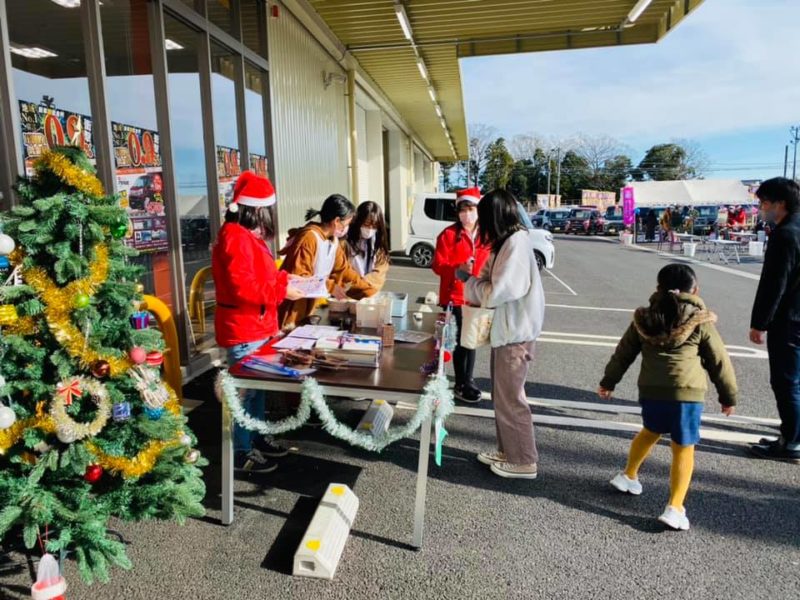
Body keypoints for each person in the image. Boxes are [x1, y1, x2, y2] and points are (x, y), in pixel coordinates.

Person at [598, 263, 737, 530]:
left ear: (657, 288)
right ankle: (675, 507)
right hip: (687, 394)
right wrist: (728, 396)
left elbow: (623, 353)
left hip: (651, 390)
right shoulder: (700, 320)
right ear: (694, 290)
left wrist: (608, 382)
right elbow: (719, 361)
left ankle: (628, 475)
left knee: (649, 431)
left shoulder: (645, 317)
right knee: (683, 447)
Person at [212, 171, 305, 473]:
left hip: (257, 327)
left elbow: (259, 278)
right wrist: (281, 289)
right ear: (257, 209)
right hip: (245, 329)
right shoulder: (236, 238)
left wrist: (283, 278)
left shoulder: (244, 236)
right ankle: (241, 450)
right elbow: (244, 288)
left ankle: (255, 439)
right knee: (244, 394)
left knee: (257, 390)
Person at [459, 189, 545, 478]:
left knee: (510, 398)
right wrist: (474, 280)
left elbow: (498, 291)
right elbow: (488, 282)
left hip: (515, 334)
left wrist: (470, 282)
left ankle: (523, 459)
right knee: (503, 396)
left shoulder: (516, 243)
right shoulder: (508, 242)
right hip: (509, 332)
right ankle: (509, 450)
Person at [748, 177, 800, 463]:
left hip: (789, 320)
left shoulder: (785, 234)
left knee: (786, 382)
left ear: (780, 203)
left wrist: (760, 323)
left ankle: (792, 442)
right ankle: (790, 433)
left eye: (764, 203)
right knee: (796, 381)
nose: (761, 208)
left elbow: (774, 285)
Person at [278, 194, 377, 329]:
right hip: (293, 310)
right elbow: (299, 278)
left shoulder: (333, 240)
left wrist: (368, 291)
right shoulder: (309, 238)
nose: (346, 228)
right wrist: (330, 286)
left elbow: (344, 270)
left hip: (309, 307)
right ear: (336, 221)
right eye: (346, 224)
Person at [431, 187, 491, 403]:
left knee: (472, 339)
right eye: (462, 209)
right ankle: (460, 382)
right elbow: (438, 265)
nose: (467, 213)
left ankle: (468, 380)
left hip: (477, 296)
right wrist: (459, 268)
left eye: (471, 208)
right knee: (458, 341)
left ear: (478, 209)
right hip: (454, 296)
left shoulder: (487, 235)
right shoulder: (448, 235)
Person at [343, 200, 390, 292]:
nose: (370, 229)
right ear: (358, 221)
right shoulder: (345, 242)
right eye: (366, 224)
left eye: (374, 226)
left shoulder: (378, 243)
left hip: (368, 291)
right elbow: (341, 269)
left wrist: (365, 282)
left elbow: (380, 270)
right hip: (347, 291)